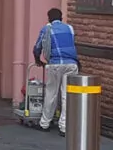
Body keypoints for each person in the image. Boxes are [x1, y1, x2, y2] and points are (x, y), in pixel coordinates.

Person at [32, 8, 80, 136]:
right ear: (61, 17)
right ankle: (64, 127)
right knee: (67, 95)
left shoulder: (47, 29)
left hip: (55, 64)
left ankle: (44, 123)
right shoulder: (70, 28)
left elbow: (37, 48)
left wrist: (38, 60)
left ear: (49, 18)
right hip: (71, 64)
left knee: (51, 93)